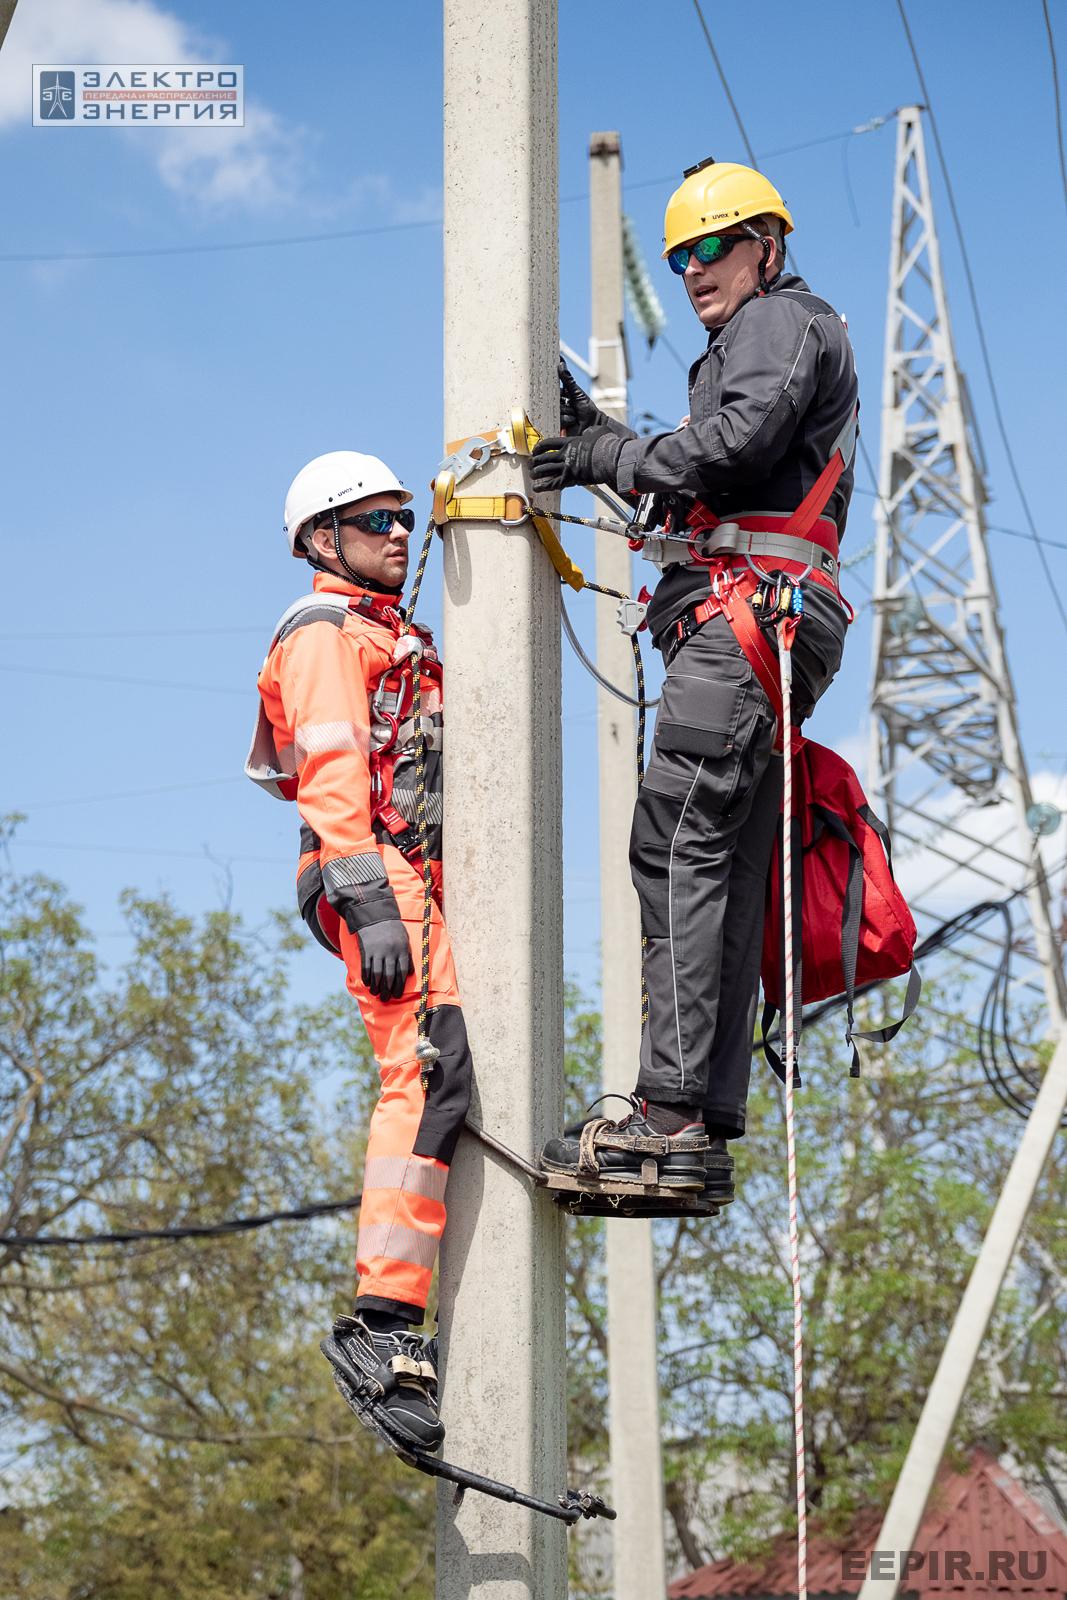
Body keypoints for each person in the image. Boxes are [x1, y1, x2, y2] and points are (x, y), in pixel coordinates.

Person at [531, 158, 858, 1196]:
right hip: (760, 622)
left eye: (712, 246)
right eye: (678, 256)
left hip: (746, 621)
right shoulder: (765, 336)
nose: (692, 269)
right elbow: (714, 471)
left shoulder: (777, 320)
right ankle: (698, 1122)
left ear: (767, 243)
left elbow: (732, 445)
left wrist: (607, 458)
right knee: (723, 860)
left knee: (673, 845)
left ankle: (666, 1113)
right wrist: (611, 446)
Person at [246, 451, 472, 1453]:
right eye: (374, 520)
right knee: (424, 1071)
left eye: (401, 518)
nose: (398, 534)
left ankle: (397, 1313)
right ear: (320, 540)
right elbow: (333, 769)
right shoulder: (323, 632)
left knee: (450, 1073)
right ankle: (383, 1323)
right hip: (371, 870)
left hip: (407, 872)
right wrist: (368, 898)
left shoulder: (390, 632)